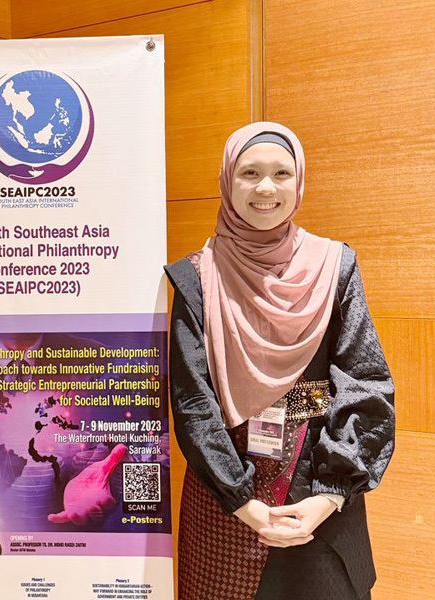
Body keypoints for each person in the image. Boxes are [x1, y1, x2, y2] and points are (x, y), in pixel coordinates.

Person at [165, 122, 395, 600]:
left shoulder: (336, 266)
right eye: (250, 172)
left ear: (299, 182)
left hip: (317, 499)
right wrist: (241, 501)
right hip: (226, 506)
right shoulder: (195, 280)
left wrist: (330, 494)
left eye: (281, 173)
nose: (266, 188)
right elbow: (193, 403)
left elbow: (364, 382)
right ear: (228, 181)